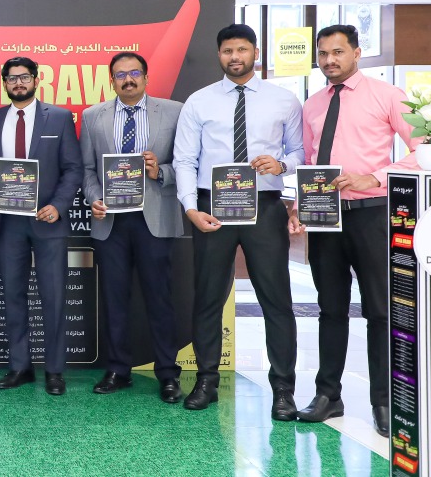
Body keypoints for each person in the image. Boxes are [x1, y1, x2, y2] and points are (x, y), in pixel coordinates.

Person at [290, 24, 417, 437]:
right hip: (324, 217)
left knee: (380, 310)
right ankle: (328, 395)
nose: (330, 60)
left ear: (357, 53)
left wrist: (376, 177)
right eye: (323, 53)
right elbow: (311, 159)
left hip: (372, 214)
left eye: (338, 52)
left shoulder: (387, 95)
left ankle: (385, 401)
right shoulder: (311, 105)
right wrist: (299, 199)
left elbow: (425, 149)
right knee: (329, 308)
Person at [173, 24, 301, 419]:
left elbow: (300, 152)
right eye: (227, 50)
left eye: (242, 50)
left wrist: (282, 165)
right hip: (213, 206)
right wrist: (190, 207)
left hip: (264, 205)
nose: (235, 57)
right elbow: (184, 159)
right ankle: (206, 380)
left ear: (255, 53)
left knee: (276, 298)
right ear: (219, 55)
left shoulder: (284, 100)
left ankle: (283, 389)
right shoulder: (199, 101)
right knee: (208, 296)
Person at [78, 52, 184, 402]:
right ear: (112, 81)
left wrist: (160, 172)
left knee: (160, 298)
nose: (128, 79)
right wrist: (94, 197)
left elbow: (185, 163)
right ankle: (117, 370)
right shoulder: (93, 117)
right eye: (120, 74)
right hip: (111, 221)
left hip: (154, 217)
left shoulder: (174, 111)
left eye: (134, 73)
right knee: (114, 298)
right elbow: (88, 171)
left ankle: (168, 374)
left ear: (146, 77)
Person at [0, 56, 82, 395]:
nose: (18, 83)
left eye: (24, 77)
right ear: (4, 83)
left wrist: (58, 205)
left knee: (53, 298)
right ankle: (19, 367)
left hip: (48, 221)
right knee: (13, 296)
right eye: (12, 78)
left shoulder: (61, 117)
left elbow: (73, 169)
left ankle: (54, 371)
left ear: (37, 80)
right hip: (8, 223)